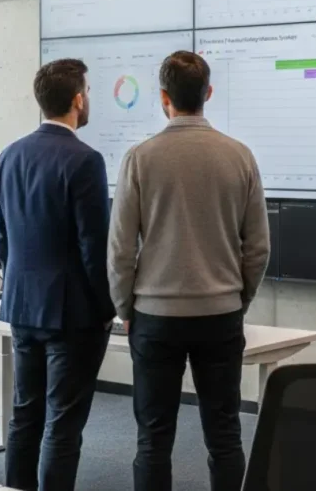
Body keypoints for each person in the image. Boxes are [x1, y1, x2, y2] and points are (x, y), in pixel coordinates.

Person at [108, 50, 270, 491]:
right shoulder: (240, 157)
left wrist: (124, 306)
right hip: (220, 316)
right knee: (224, 434)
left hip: (154, 319)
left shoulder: (139, 158)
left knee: (153, 439)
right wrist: (237, 298)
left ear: (163, 97)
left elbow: (121, 249)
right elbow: (258, 248)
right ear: (208, 94)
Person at [0, 58, 115, 491]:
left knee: (24, 416)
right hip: (72, 315)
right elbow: (93, 248)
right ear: (78, 99)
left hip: (22, 306)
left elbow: (2, 237)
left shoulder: (9, 155)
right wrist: (107, 309)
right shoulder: (85, 160)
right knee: (62, 424)